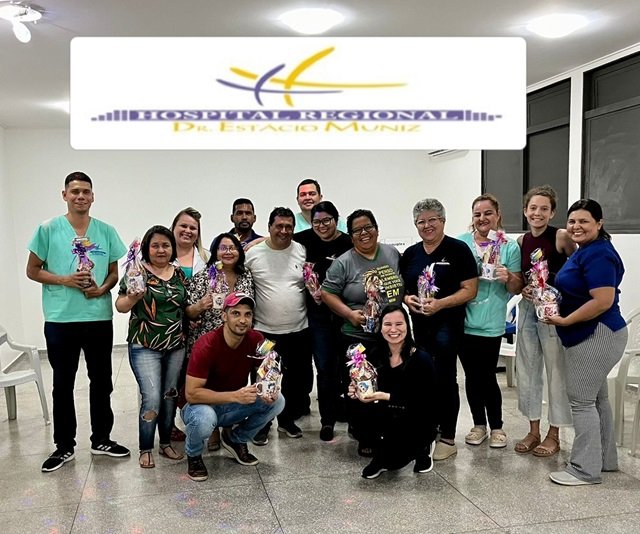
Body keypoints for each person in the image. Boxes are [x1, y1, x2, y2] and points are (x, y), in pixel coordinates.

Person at [26, 171, 130, 472]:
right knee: (63, 383)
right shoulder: (48, 229)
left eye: (86, 191)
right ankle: (64, 446)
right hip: (61, 319)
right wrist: (66, 280)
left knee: (102, 381)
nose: (80, 196)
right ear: (65, 195)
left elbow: (114, 272)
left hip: (97, 316)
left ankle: (102, 439)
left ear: (93, 196)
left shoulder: (106, 231)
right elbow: (32, 270)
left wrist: (102, 288)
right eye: (75, 191)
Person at [545, 199, 627, 486]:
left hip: (596, 334)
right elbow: (578, 288)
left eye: (584, 221)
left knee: (581, 401)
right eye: (572, 221)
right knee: (597, 399)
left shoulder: (599, 254)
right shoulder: (586, 250)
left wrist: (566, 320)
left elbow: (602, 301)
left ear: (599, 223)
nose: (576, 226)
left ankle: (584, 469)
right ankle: (604, 460)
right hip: (595, 333)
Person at [400, 198, 478, 461]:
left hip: (448, 327)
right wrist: (407, 299)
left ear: (443, 221)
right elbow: (404, 288)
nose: (427, 225)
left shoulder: (458, 250)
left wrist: (441, 304)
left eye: (432, 219)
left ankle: (448, 436)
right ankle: (429, 428)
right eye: (421, 222)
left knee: (445, 379)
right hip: (419, 328)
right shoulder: (411, 254)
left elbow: (470, 289)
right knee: (424, 379)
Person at [322, 209, 404, 456]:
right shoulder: (343, 262)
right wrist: (349, 314)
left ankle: (387, 429)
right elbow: (327, 293)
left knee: (388, 382)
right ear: (350, 235)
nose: (364, 233)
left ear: (377, 228)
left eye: (368, 227)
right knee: (359, 383)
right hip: (356, 336)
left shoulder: (391, 253)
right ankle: (363, 434)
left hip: (390, 336)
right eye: (357, 230)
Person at [181, 292, 285, 482]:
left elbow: (268, 368)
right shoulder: (205, 345)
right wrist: (235, 396)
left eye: (247, 314)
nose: (243, 320)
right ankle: (194, 455)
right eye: (236, 313)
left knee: (278, 401)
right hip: (199, 406)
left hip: (232, 403)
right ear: (224, 316)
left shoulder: (257, 339)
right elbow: (192, 394)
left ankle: (235, 439)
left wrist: (269, 389)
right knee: (205, 419)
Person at [115, 225, 188, 468]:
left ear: (172, 248)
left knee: (169, 395)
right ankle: (145, 447)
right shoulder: (137, 271)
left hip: (175, 345)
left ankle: (165, 443)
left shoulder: (179, 274)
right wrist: (133, 297)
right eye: (155, 245)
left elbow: (185, 306)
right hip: (144, 345)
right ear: (147, 248)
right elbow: (120, 306)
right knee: (152, 397)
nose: (161, 250)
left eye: (166, 245)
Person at [458, 194, 523, 449]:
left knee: (486, 376)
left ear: (497, 215)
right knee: (472, 376)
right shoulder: (462, 243)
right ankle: (478, 425)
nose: (482, 218)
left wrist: (508, 277)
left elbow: (517, 287)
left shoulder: (509, 247)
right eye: (477, 214)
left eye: (488, 213)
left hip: (491, 322)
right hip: (463, 321)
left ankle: (496, 426)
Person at [514, 186, 575, 457]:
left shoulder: (561, 236)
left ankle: (554, 433)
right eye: (533, 208)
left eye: (544, 208)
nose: (537, 213)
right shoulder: (521, 241)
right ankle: (533, 429)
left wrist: (557, 294)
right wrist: (524, 289)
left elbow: (577, 269)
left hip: (552, 311)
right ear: (525, 211)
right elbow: (521, 277)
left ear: (552, 212)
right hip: (528, 309)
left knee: (555, 371)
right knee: (527, 369)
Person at [245, 207, 313, 441]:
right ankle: (261, 424)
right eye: (279, 226)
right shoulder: (253, 254)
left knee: (295, 380)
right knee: (263, 378)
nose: (284, 231)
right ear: (269, 227)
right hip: (264, 332)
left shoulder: (301, 251)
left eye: (288, 227)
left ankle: (286, 420)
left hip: (298, 330)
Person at [349, 305, 437, 479]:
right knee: (355, 406)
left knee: (397, 459)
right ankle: (381, 455)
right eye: (388, 324)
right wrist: (356, 391)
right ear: (380, 327)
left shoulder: (421, 359)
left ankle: (423, 448)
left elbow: (426, 402)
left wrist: (386, 397)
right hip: (387, 414)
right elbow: (368, 388)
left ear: (407, 326)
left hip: (415, 416)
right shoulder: (373, 356)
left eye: (399, 324)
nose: (393, 329)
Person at [294, 201, 353, 441]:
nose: (321, 226)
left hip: (346, 312)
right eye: (316, 221)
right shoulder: (305, 240)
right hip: (318, 316)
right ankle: (327, 420)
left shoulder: (348, 242)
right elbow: (277, 238)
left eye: (326, 220)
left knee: (349, 365)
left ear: (336, 220)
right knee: (325, 366)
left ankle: (353, 417)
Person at [171, 207, 208, 279]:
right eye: (183, 226)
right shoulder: (162, 255)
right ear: (173, 227)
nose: (188, 231)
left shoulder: (207, 257)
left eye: (192, 228)